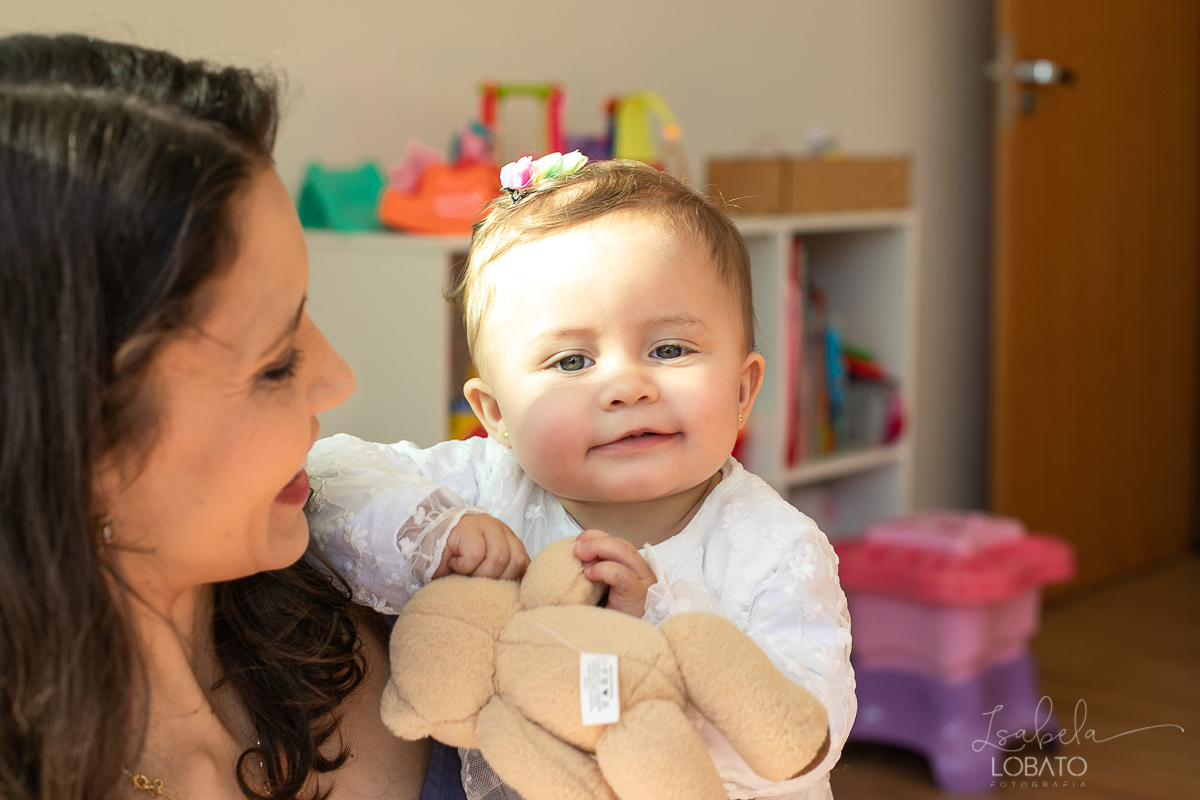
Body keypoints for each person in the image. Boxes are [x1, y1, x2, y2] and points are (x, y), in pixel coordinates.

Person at [0, 33, 498, 800]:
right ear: (75, 443)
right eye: (274, 363)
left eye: (307, 311)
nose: (337, 376)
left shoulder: (396, 580)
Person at [306, 156, 856, 800]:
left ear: (742, 390)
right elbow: (323, 473)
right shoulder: (490, 485)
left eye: (669, 349)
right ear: (496, 415)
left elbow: (806, 738)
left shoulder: (776, 546)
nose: (626, 386)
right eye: (572, 361)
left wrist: (650, 633)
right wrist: (435, 534)